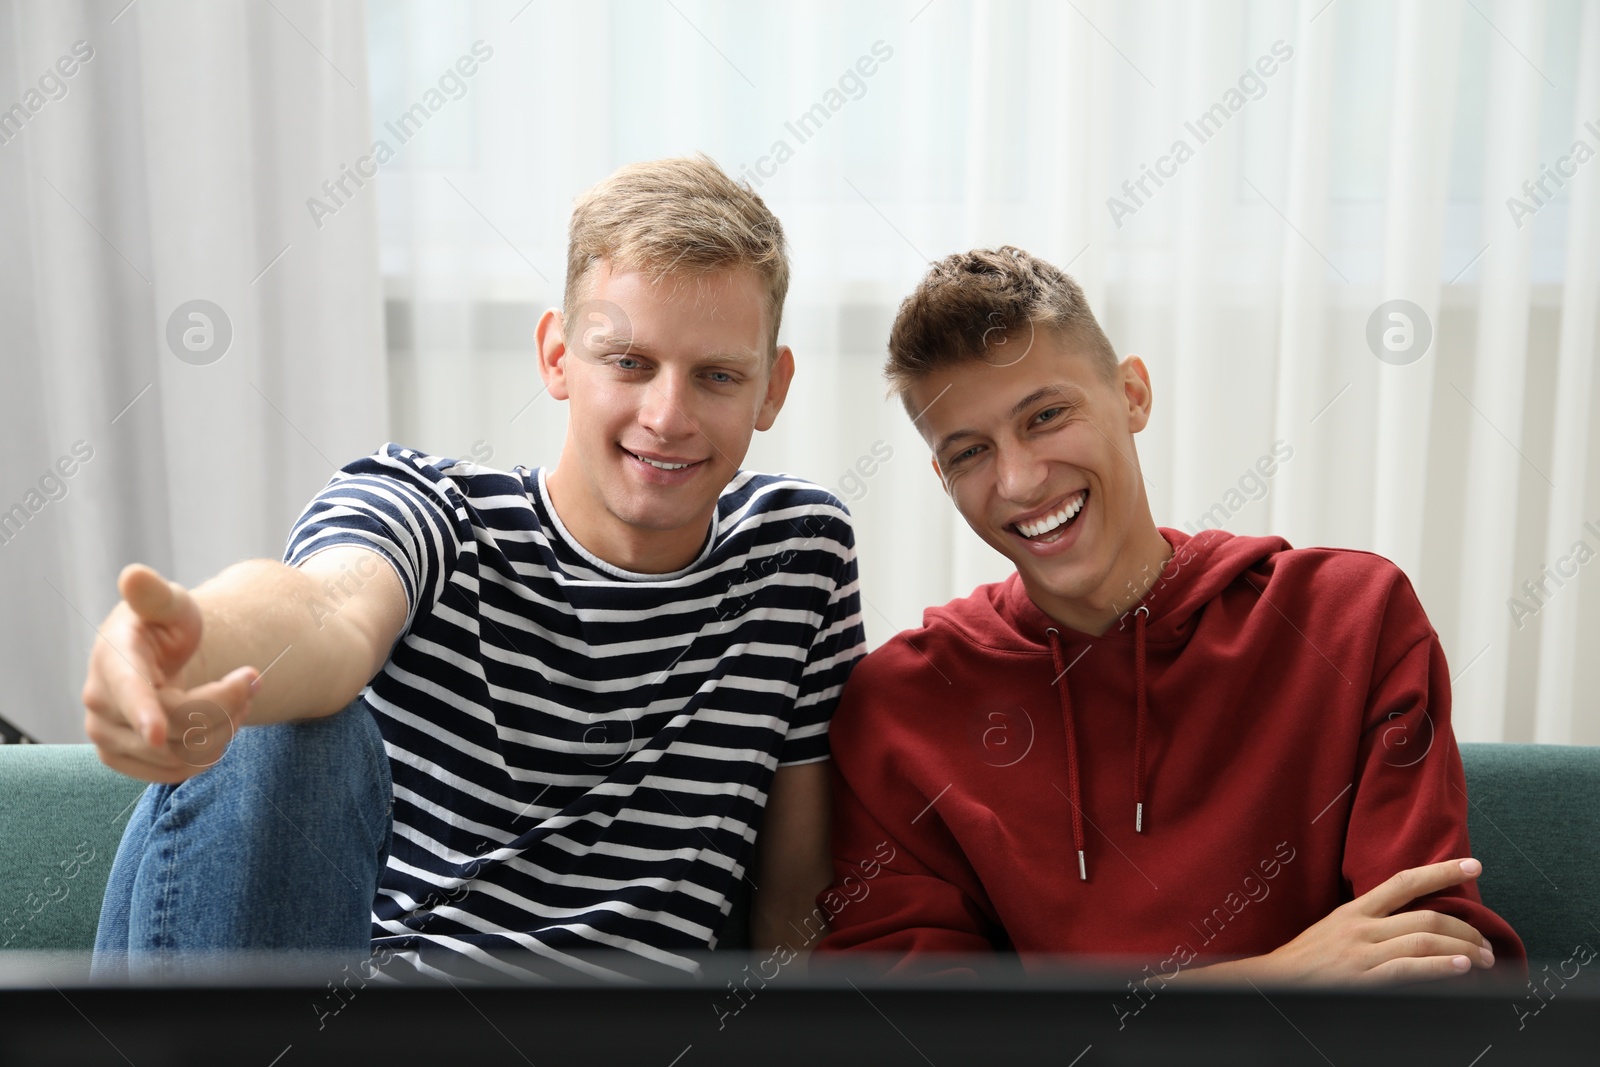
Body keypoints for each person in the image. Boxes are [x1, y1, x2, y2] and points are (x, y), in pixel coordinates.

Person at [85, 156, 865, 982]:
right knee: (285, 713)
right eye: (629, 363)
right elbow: (325, 611)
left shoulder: (796, 554)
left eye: (717, 376)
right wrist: (186, 648)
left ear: (771, 389)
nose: (667, 416)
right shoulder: (432, 509)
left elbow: (796, 896)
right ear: (559, 356)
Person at [814, 246, 1524, 987]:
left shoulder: (1350, 618)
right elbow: (914, 1033)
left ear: (1132, 395)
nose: (1019, 480)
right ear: (944, 477)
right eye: (970, 453)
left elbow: (1434, 965)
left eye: (1046, 415)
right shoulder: (902, 705)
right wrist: (1274, 977)